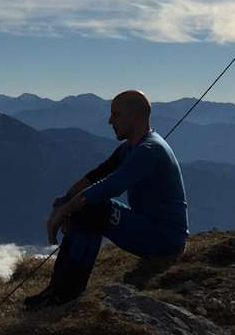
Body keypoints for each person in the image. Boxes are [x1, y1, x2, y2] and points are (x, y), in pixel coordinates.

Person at [24, 89, 188, 309]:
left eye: (116, 114)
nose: (110, 120)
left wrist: (62, 213)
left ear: (135, 116)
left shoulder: (149, 150)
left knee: (93, 210)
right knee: (86, 206)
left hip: (165, 241)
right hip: (151, 229)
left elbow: (108, 187)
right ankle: (56, 289)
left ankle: (65, 294)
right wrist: (66, 200)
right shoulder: (131, 147)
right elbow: (97, 174)